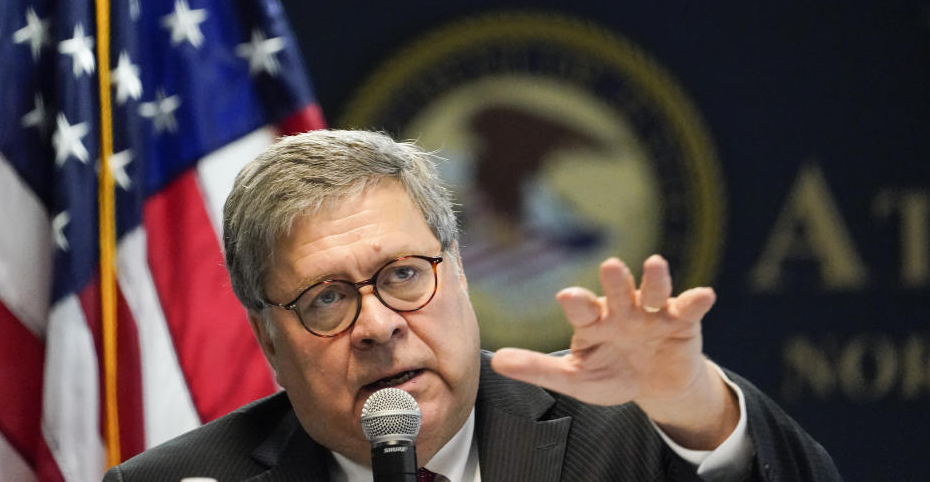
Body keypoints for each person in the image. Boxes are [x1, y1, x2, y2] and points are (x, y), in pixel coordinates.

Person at [104, 129, 841, 481]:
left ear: (457, 273)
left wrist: (695, 404)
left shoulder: (628, 435)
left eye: (401, 275)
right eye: (326, 299)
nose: (379, 325)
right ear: (269, 341)